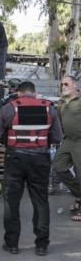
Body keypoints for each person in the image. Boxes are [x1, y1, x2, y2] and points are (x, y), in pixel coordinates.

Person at [0, 81, 62, 256]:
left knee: (11, 201)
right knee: (40, 201)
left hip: (15, 158)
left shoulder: (9, 108)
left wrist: (10, 144)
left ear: (18, 93)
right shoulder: (49, 108)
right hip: (40, 159)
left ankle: (12, 244)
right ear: (34, 92)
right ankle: (41, 245)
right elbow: (57, 137)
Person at [53, 76, 81, 222]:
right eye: (61, 84)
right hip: (68, 141)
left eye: (66, 84)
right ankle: (79, 195)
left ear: (75, 85)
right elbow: (58, 121)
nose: (63, 86)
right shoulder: (61, 103)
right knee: (58, 166)